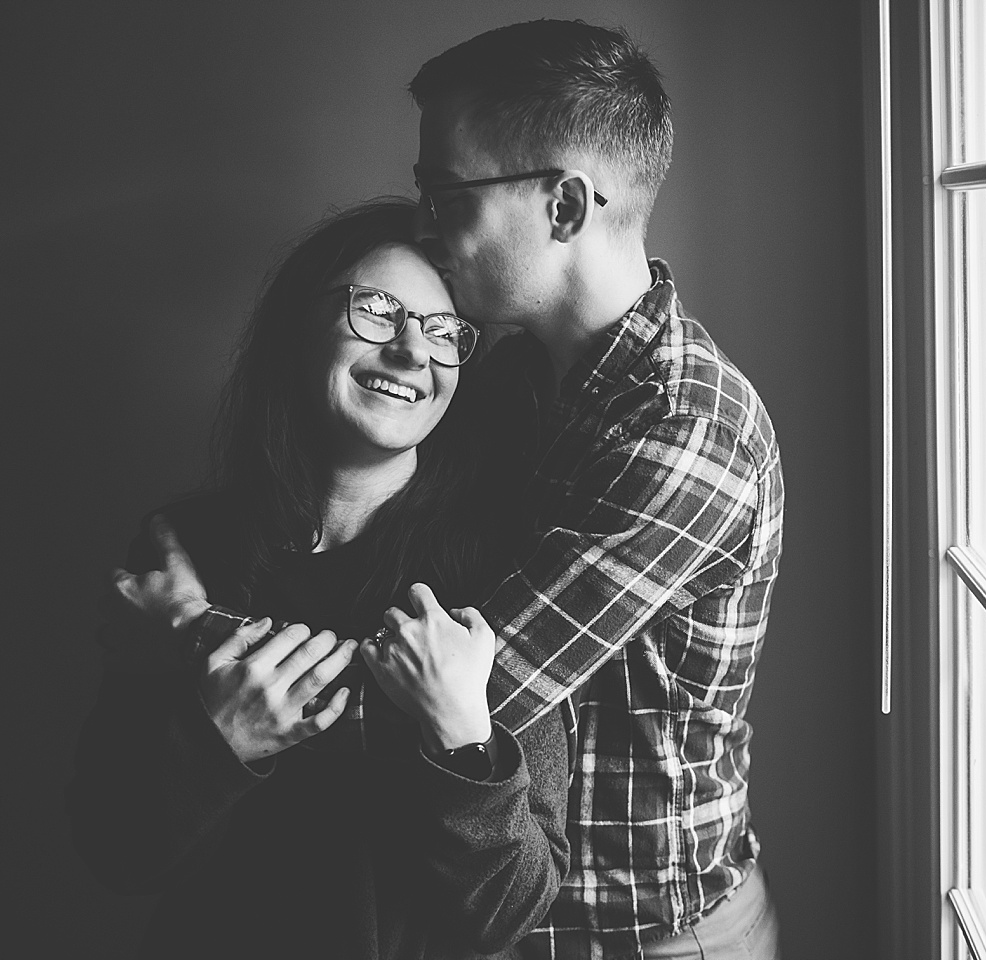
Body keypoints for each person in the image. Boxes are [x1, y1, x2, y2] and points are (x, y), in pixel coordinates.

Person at [123, 19, 785, 959]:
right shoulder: (519, 381)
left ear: (562, 206)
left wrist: (195, 629)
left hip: (643, 931)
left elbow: (448, 695)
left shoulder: (682, 434)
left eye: (446, 191)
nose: (426, 224)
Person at [68, 199, 573, 960]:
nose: (412, 351)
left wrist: (466, 739)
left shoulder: (501, 573)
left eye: (443, 332)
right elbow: (115, 852)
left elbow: (512, 913)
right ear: (298, 327)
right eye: (377, 310)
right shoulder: (184, 548)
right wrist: (219, 742)